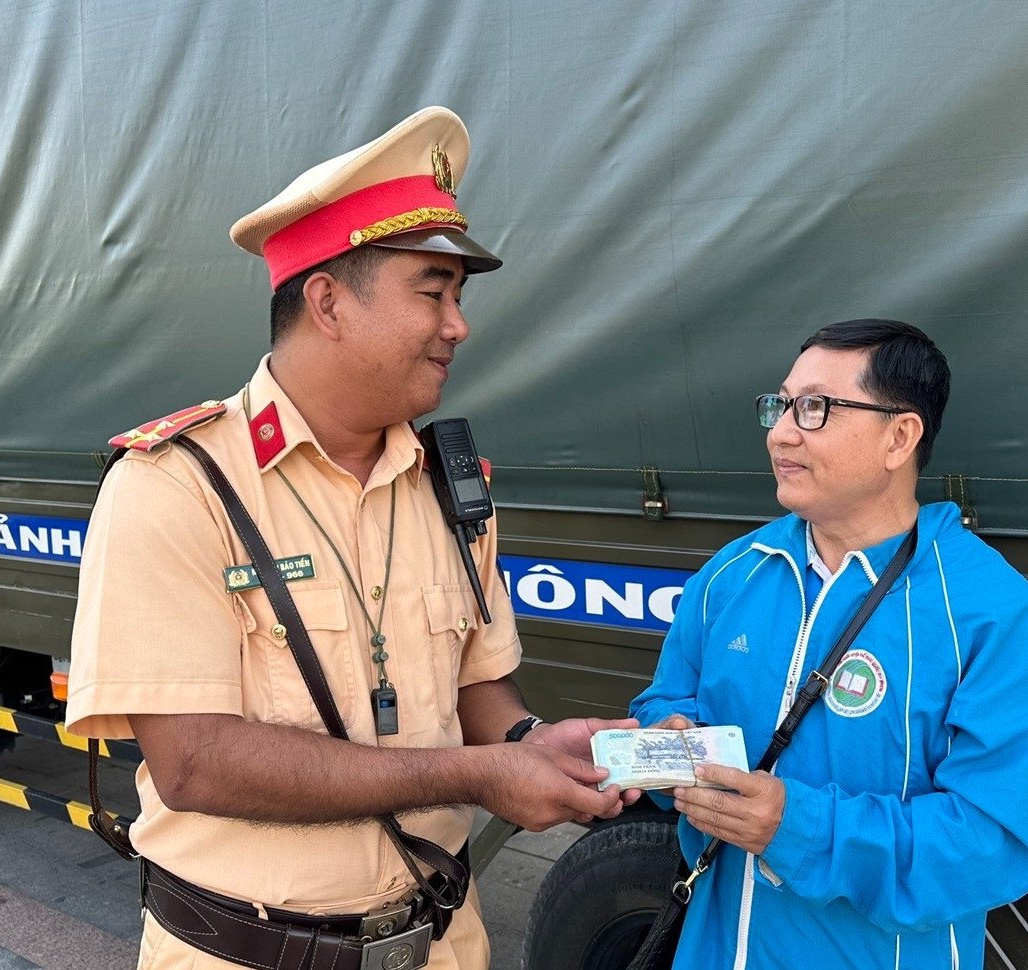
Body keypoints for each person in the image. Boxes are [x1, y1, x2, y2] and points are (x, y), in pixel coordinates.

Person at [67, 106, 638, 970]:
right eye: (431, 292)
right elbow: (194, 762)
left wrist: (527, 743)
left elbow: (477, 685)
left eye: (458, 297)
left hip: (442, 942)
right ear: (328, 300)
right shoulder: (177, 486)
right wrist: (475, 776)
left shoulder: (454, 485)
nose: (458, 325)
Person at [630, 319, 1028, 969]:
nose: (781, 431)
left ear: (899, 437)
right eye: (779, 405)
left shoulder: (991, 615)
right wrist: (666, 748)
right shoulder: (735, 572)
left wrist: (796, 826)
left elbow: (993, 843)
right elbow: (663, 703)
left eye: (815, 408)